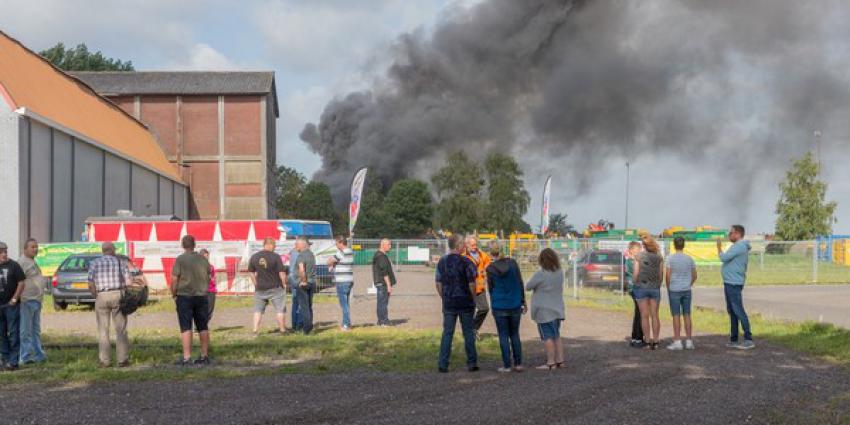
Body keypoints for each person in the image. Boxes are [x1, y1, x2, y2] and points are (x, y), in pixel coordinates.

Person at [435, 234, 478, 373]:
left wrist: (444, 297)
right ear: (459, 245)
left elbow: (438, 283)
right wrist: (474, 298)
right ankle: (472, 362)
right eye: (463, 244)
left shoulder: (442, 262)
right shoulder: (467, 262)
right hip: (465, 302)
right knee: (468, 333)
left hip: (449, 302)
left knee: (447, 333)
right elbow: (472, 284)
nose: (465, 246)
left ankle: (443, 363)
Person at [87, 242, 131, 367]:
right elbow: (128, 282)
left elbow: (90, 283)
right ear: (112, 250)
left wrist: (96, 295)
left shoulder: (94, 263)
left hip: (101, 295)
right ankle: (122, 360)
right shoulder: (120, 262)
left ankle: (104, 361)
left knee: (103, 330)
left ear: (103, 250)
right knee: (121, 329)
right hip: (118, 294)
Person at [485, 240, 525, 373]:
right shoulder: (513, 263)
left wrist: (493, 304)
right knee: (515, 334)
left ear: (490, 252)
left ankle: (507, 365)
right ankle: (518, 364)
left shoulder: (490, 269)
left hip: (499, 304)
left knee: (503, 335)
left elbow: (491, 288)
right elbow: (520, 282)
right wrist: (523, 300)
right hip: (515, 303)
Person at [170, 235, 211, 365]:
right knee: (203, 326)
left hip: (184, 296)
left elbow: (174, 279)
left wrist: (173, 293)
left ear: (182, 245)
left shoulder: (180, 259)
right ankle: (204, 356)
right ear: (195, 244)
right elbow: (209, 276)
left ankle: (187, 357)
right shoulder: (203, 259)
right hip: (201, 296)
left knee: (186, 326)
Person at [526, 248, 566, 370]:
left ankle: (550, 362)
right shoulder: (560, 272)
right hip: (557, 309)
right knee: (556, 335)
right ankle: (560, 360)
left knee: (547, 337)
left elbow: (528, 286)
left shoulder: (541, 274)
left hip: (544, 311)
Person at [717, 224, 755, 350]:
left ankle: (748, 339)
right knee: (732, 311)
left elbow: (724, 258)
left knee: (738, 310)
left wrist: (719, 248)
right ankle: (734, 339)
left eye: (731, 233)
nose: (729, 235)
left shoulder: (739, 246)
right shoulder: (738, 246)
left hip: (733, 283)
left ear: (738, 234)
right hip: (730, 282)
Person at [248, 238, 288, 336]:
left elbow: (251, 272)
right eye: (274, 246)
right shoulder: (276, 257)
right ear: (270, 245)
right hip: (276, 287)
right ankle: (282, 330)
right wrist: (284, 284)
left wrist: (256, 283)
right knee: (280, 310)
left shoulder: (254, 256)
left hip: (260, 288)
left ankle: (255, 330)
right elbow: (281, 273)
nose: (275, 248)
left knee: (258, 310)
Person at [666, 237, 697, 350]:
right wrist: (689, 284)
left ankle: (677, 341)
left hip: (674, 290)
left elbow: (668, 275)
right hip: (686, 290)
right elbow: (695, 275)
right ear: (684, 245)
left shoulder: (670, 259)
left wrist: (669, 287)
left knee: (676, 315)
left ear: (674, 245)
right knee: (687, 315)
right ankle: (689, 341)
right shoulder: (689, 259)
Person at [18, 238, 47, 365]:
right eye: (32, 247)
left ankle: (38, 354)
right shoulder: (22, 262)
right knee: (25, 330)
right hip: (26, 300)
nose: (35, 249)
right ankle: (25, 356)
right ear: (25, 249)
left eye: (36, 246)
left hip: (36, 300)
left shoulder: (32, 261)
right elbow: (17, 281)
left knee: (35, 330)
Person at [633, 236, 664, 350]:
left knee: (644, 316)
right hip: (655, 288)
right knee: (655, 315)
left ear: (644, 246)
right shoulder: (659, 257)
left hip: (641, 288)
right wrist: (657, 285)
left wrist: (635, 283)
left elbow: (635, 273)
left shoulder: (639, 256)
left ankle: (647, 341)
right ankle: (655, 341)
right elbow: (661, 274)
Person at [0, 241, 26, 371]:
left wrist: (15, 299)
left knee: (14, 334)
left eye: (5, 251)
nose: (4, 254)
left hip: (11, 306)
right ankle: (5, 360)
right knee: (1, 334)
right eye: (1, 252)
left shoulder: (14, 265)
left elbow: (21, 282)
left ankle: (13, 361)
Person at [462, 236, 491, 340]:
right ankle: (469, 333)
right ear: (467, 245)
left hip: (480, 288)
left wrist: (486, 273)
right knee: (469, 311)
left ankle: (473, 328)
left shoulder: (483, 255)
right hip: (467, 289)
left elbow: (489, 266)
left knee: (484, 308)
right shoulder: (463, 257)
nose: (475, 247)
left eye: (476, 244)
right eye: (472, 245)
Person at [328, 236, 355, 331]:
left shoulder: (341, 252)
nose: (336, 245)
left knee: (344, 305)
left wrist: (332, 262)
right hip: (349, 279)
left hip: (342, 280)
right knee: (346, 303)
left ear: (340, 242)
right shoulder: (350, 251)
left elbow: (329, 261)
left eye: (336, 243)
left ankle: (346, 324)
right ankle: (345, 323)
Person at [294, 237, 316, 334]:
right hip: (312, 282)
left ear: (301, 245)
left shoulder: (301, 256)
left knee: (304, 307)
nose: (295, 246)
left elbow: (302, 269)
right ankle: (310, 326)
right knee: (309, 305)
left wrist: (303, 281)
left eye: (297, 244)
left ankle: (306, 329)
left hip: (304, 283)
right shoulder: (311, 254)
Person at [625, 241, 644, 348]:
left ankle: (635, 337)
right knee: (640, 313)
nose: (639, 252)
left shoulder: (634, 261)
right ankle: (638, 338)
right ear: (631, 250)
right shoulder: (631, 262)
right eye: (637, 250)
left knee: (638, 313)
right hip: (635, 289)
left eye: (640, 250)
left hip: (636, 288)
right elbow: (638, 274)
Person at [372, 239, 396, 327]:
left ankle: (380, 321)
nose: (390, 246)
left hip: (380, 283)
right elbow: (384, 272)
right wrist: (389, 285)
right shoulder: (381, 256)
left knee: (381, 303)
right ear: (383, 245)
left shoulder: (379, 255)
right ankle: (384, 321)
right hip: (383, 283)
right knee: (383, 303)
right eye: (389, 244)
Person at [199, 249, 216, 323]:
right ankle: (200, 325)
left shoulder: (211, 267)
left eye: (207, 256)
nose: (206, 258)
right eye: (205, 256)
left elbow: (213, 277)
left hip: (211, 290)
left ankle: (203, 324)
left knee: (210, 309)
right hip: (201, 290)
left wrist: (213, 280)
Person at [288, 247, 302, 331]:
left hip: (293, 279)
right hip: (298, 280)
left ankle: (294, 324)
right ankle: (299, 325)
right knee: (300, 303)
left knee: (295, 303)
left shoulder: (292, 252)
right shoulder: (298, 254)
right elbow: (300, 268)